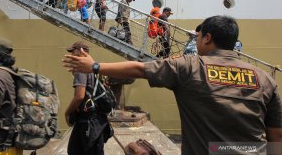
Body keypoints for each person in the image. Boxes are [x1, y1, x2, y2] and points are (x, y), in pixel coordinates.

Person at [63, 15, 282, 155]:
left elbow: (141, 69)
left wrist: (95, 66)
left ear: (207, 38)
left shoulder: (189, 66)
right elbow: (276, 137)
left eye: (197, 37)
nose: (195, 42)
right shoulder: (264, 78)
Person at [65, 41, 112, 155]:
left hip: (87, 121)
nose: (71, 54)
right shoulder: (94, 68)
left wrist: (67, 113)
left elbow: (79, 96)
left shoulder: (81, 69)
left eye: (73, 51)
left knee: (75, 151)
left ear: (81, 52)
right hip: (97, 121)